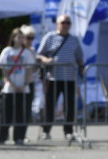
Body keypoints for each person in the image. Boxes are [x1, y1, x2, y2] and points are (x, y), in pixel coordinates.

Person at [35, 13, 83, 141]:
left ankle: (68, 131)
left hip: (70, 78)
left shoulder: (74, 39)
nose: (66, 25)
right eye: (63, 23)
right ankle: (46, 131)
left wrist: (83, 70)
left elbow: (79, 57)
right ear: (57, 24)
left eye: (68, 23)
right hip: (53, 78)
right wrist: (47, 60)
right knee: (50, 106)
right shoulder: (49, 37)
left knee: (69, 106)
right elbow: (38, 55)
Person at [0, 27, 37, 145]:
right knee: (6, 113)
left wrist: (24, 84)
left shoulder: (27, 53)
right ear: (13, 38)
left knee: (21, 113)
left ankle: (19, 136)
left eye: (22, 37)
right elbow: (3, 68)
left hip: (23, 87)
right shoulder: (7, 51)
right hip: (10, 87)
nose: (20, 40)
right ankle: (1, 137)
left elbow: (29, 70)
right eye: (18, 37)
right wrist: (10, 82)